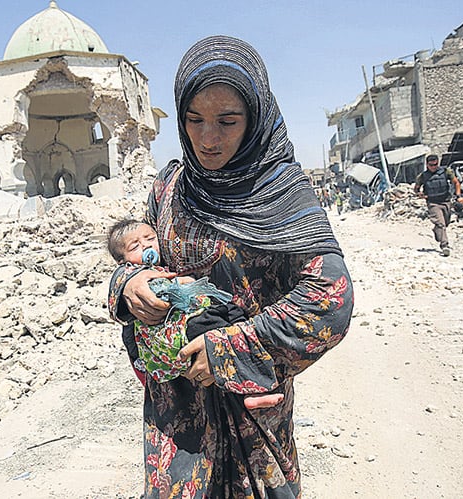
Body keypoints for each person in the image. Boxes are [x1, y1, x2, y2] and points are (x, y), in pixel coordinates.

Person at [107, 35, 353, 498]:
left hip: (251, 403)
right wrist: (129, 282)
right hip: (177, 407)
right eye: (194, 119)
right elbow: (139, 251)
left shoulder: (285, 195)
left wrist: (229, 348)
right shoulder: (170, 188)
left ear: (255, 119)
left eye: (227, 121)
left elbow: (331, 299)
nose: (207, 139)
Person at [106, 218, 284, 410]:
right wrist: (182, 283)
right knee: (216, 345)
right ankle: (250, 392)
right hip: (181, 330)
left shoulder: (160, 265)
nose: (146, 245)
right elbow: (132, 331)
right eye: (135, 246)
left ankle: (258, 385)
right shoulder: (138, 276)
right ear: (122, 262)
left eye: (150, 238)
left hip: (200, 311)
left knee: (236, 322)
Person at [413, 153, 463, 256]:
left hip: (446, 201)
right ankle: (444, 245)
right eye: (431, 165)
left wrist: (458, 196)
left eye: (435, 164)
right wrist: (419, 194)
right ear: (427, 165)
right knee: (441, 223)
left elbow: (456, 182)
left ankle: (437, 231)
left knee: (445, 223)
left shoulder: (446, 172)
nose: (433, 167)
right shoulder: (423, 176)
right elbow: (416, 188)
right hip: (433, 203)